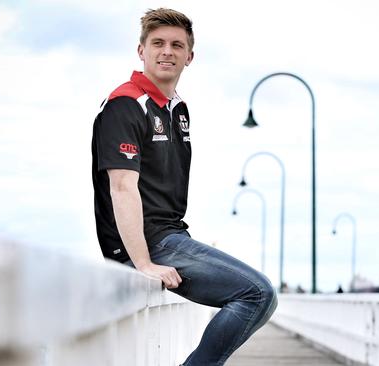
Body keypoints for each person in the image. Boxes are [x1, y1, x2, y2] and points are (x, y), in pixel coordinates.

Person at [91, 8, 277, 365]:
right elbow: (121, 188)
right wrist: (143, 262)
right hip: (147, 244)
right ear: (141, 50)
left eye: (177, 45)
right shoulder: (126, 104)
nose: (167, 51)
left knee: (257, 294)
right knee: (257, 293)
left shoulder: (177, 109)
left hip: (172, 236)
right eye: (157, 43)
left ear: (189, 56)